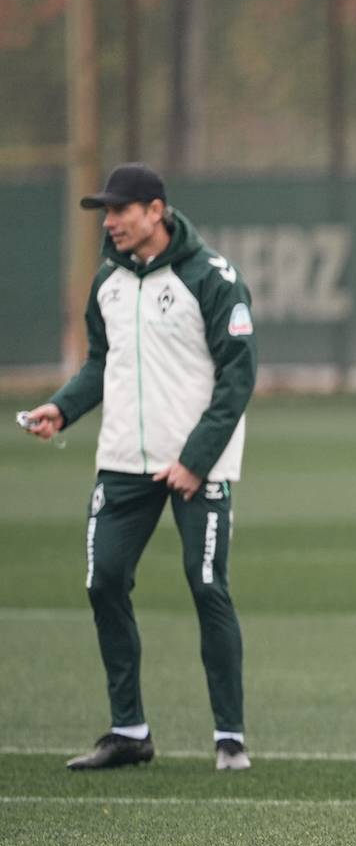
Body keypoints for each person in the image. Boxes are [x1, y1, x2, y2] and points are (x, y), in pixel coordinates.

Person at [20, 163, 258, 772]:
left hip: (198, 466)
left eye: (120, 209)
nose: (110, 222)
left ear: (156, 210)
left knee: (206, 586)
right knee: (103, 581)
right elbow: (103, 363)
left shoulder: (212, 278)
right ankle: (129, 732)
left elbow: (237, 377)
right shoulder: (108, 281)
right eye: (106, 211)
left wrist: (195, 459)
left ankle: (229, 737)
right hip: (123, 460)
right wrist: (62, 408)